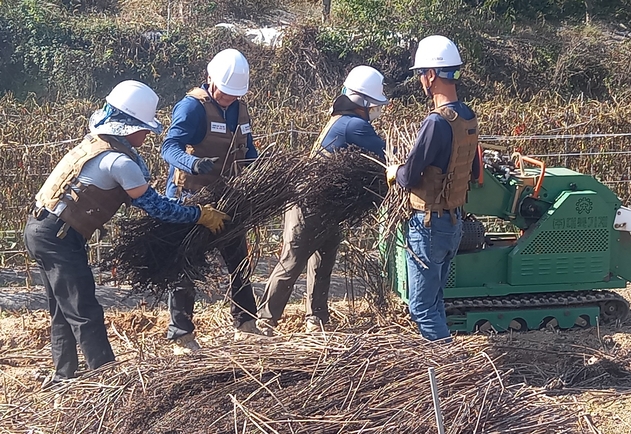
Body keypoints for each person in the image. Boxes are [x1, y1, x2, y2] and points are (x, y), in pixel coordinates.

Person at [24, 80, 230, 385]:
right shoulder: (119, 161)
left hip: (42, 228)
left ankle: (62, 374)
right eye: (144, 128)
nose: (148, 134)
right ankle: (108, 382)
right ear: (126, 126)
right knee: (84, 310)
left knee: (62, 307)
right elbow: (157, 208)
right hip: (58, 236)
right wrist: (199, 215)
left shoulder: (96, 143)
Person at [256, 65, 388, 334]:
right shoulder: (354, 125)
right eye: (374, 104)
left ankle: (315, 318)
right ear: (362, 102)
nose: (376, 109)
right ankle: (265, 319)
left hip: (326, 204)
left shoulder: (341, 120)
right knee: (293, 260)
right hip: (309, 202)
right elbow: (385, 154)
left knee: (323, 259)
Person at [160, 48, 260, 351]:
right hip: (192, 199)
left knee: (238, 262)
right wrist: (192, 164)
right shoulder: (192, 108)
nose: (229, 97)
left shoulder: (240, 109)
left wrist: (259, 166)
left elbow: (248, 148)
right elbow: (169, 147)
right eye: (225, 91)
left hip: (228, 196)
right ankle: (181, 334)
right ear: (210, 79)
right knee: (186, 266)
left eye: (234, 93)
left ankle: (246, 322)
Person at [386, 35, 481, 342]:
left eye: (420, 75)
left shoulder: (436, 122)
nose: (420, 82)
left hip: (428, 225)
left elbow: (409, 176)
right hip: (453, 223)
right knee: (435, 301)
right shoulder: (467, 116)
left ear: (430, 76)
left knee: (422, 308)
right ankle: (445, 362)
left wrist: (393, 171)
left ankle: (447, 367)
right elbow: (475, 171)